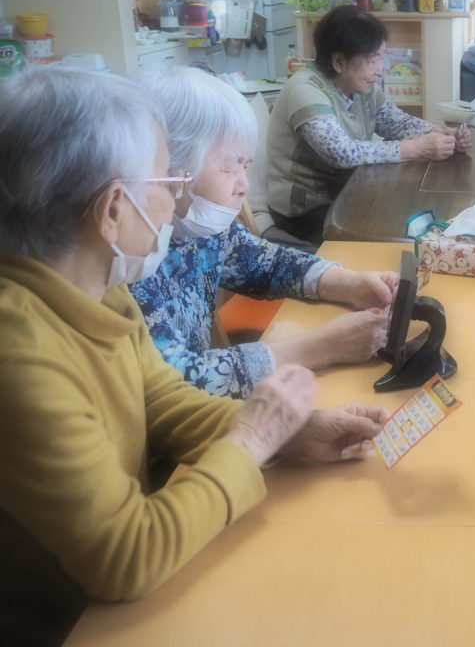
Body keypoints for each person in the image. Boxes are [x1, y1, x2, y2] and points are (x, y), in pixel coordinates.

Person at [0, 66, 389, 645]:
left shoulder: (100, 290)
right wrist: (250, 441)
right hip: (69, 622)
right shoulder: (22, 358)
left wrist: (288, 433)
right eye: (166, 180)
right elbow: (125, 555)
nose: (177, 197)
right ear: (113, 210)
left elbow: (163, 402)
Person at [130, 66, 396, 399]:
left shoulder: (198, 227)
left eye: (246, 166)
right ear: (168, 167)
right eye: (230, 167)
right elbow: (174, 384)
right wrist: (322, 347)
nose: (244, 185)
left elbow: (265, 262)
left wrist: (347, 283)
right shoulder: (128, 261)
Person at [265, 6, 472, 244]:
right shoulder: (305, 90)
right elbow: (341, 153)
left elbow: (394, 122)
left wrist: (439, 133)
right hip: (305, 213)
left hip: (349, 192)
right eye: (373, 60)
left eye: (381, 57)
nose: (380, 70)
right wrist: (416, 148)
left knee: (416, 216)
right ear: (339, 61)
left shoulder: (360, 86)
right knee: (395, 232)